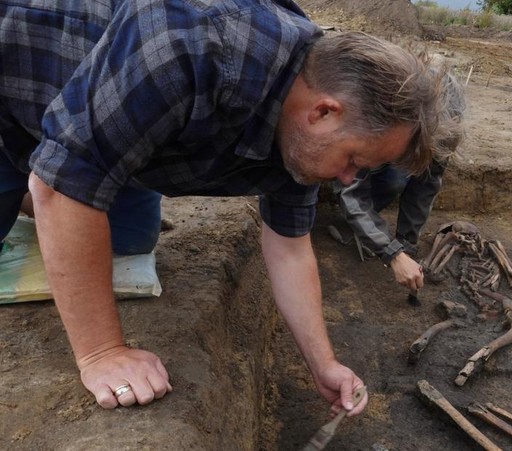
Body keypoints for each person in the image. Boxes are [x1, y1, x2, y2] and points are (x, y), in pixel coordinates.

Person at [0, 0, 462, 414]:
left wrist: (323, 364)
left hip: (121, 129)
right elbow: (65, 186)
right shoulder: (194, 43)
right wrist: (102, 352)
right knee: (66, 191)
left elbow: (290, 245)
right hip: (17, 86)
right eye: (353, 161)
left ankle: (60, 183)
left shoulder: (303, 126)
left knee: (128, 238)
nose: (348, 180)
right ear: (323, 112)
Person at [333, 73, 466, 291]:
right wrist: (391, 253)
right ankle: (357, 221)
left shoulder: (443, 129)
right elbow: (351, 189)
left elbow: (427, 184)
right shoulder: (371, 116)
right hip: (327, 147)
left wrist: (407, 244)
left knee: (397, 178)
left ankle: (368, 225)